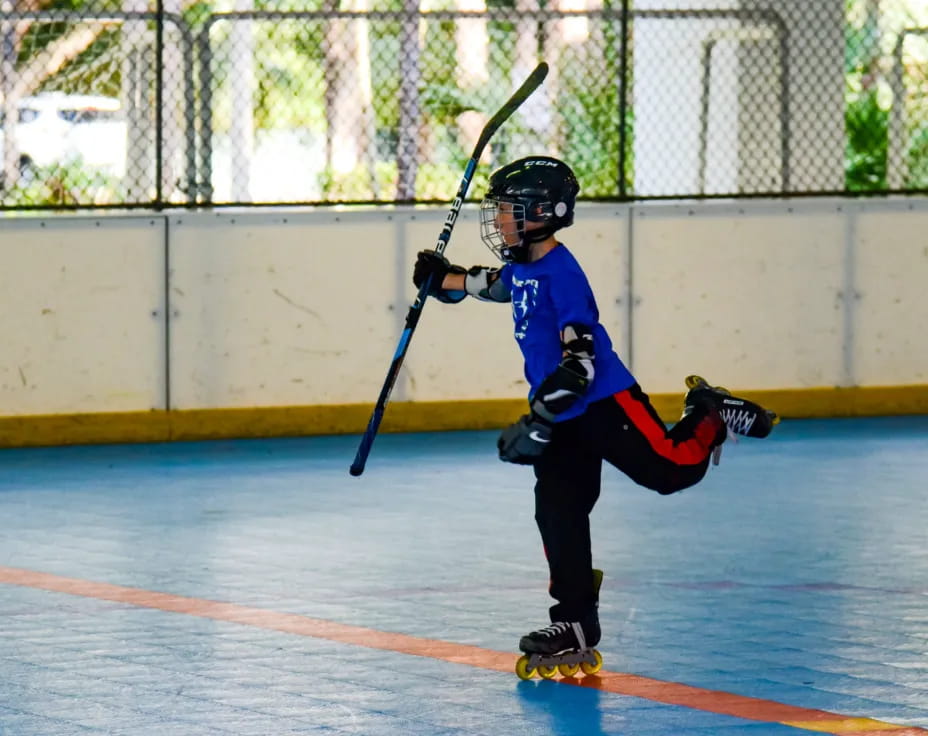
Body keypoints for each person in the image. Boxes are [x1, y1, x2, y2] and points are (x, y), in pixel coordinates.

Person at [412, 155, 777, 660]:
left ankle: (709, 415)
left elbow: (579, 365)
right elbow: (496, 286)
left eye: (507, 210)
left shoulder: (563, 274)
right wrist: (443, 281)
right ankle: (576, 623)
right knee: (558, 512)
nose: (496, 220)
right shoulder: (523, 268)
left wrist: (537, 420)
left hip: (605, 402)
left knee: (670, 471)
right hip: (561, 412)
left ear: (543, 213)